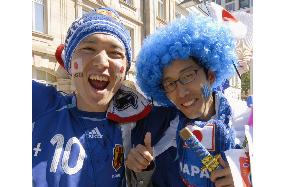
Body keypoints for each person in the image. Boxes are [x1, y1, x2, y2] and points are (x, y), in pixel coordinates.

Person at [32, 7, 154, 186]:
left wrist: (142, 174)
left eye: (115, 53)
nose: (102, 61)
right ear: (70, 64)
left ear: (125, 70)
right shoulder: (41, 105)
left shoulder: (141, 126)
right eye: (89, 48)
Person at [126, 13, 250, 187]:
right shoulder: (155, 126)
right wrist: (140, 168)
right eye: (169, 83)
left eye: (188, 75)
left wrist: (246, 177)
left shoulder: (246, 124)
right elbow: (138, 181)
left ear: (211, 76)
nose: (181, 92)